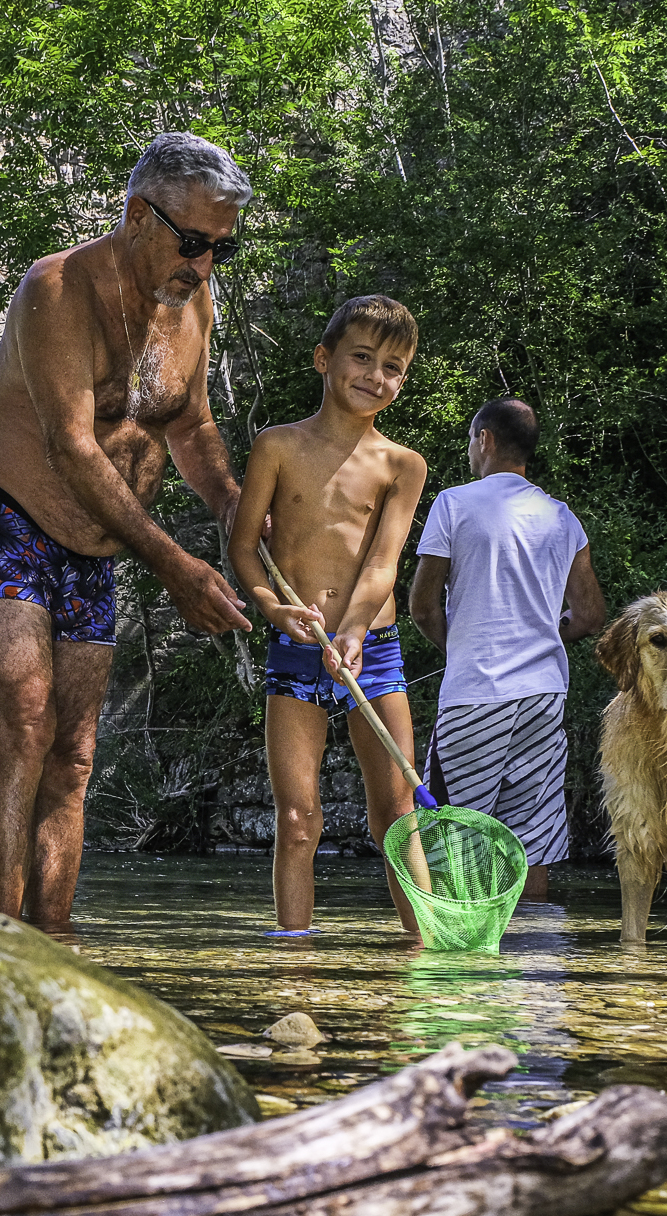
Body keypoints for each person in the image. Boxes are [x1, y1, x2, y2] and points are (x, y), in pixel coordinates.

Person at [0, 132, 254, 924]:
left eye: (222, 247)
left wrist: (232, 509)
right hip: (4, 510)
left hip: (97, 542)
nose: (205, 265)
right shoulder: (56, 289)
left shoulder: (194, 299)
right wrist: (175, 564)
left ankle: (52, 938)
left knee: (75, 753)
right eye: (192, 243)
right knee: (23, 719)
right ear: (137, 216)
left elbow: (190, 424)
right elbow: (72, 448)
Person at [230, 296, 427, 934]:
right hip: (296, 647)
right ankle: (296, 963)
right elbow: (241, 547)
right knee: (297, 818)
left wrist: (353, 630)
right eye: (362, 358)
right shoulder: (276, 446)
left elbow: (382, 565)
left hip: (375, 648)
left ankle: (424, 953)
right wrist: (268, 603)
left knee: (396, 815)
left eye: (393, 367)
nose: (376, 376)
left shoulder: (403, 466)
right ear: (324, 359)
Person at [407, 397, 606, 902]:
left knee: (458, 832)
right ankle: (538, 964)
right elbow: (588, 616)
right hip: (543, 696)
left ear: (485, 440)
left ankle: (466, 960)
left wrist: (460, 649)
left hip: (476, 694)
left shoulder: (453, 504)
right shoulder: (563, 519)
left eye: (472, 443)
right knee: (532, 838)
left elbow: (423, 607)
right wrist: (539, 635)